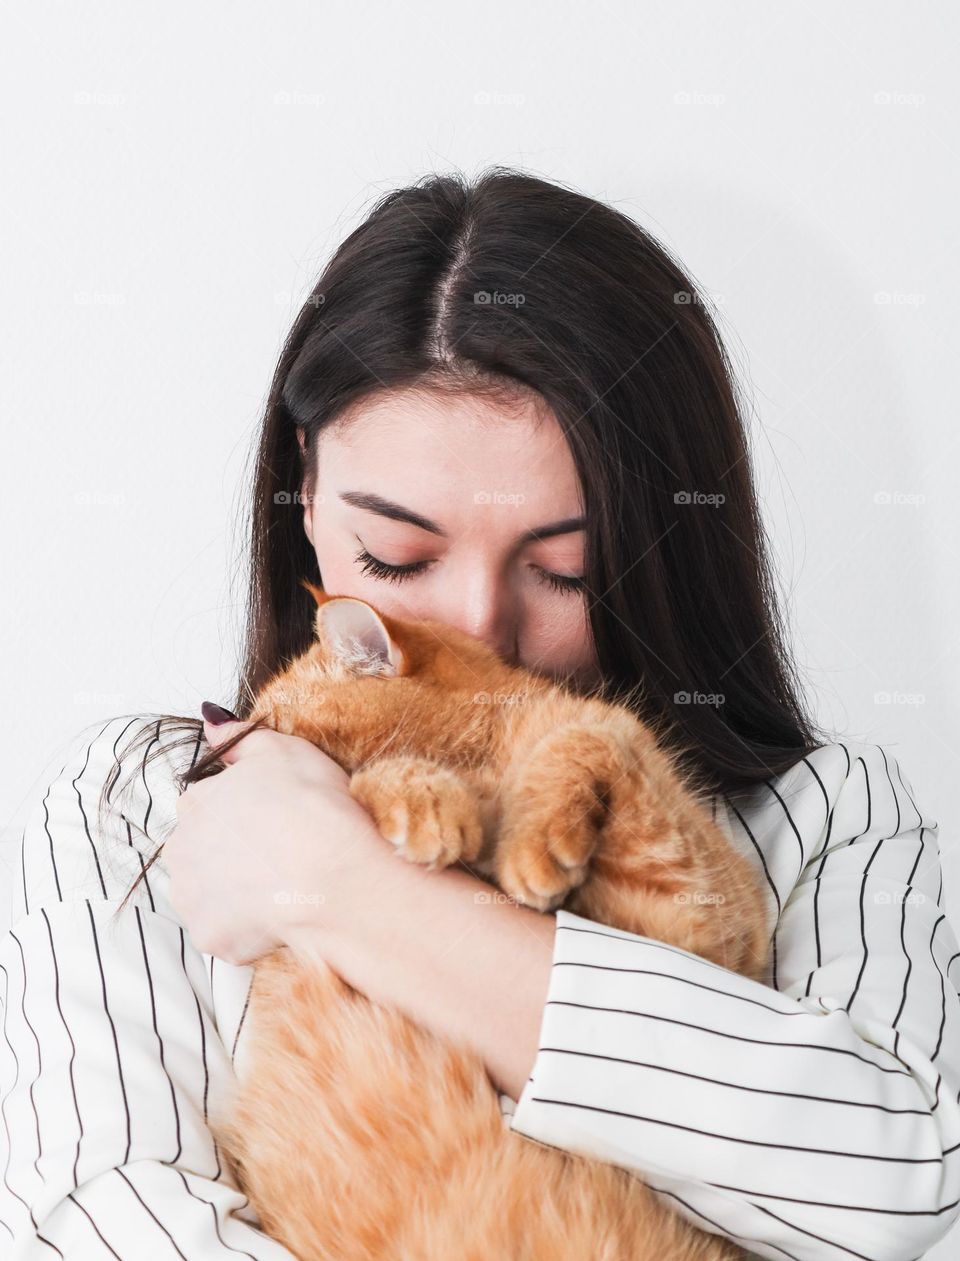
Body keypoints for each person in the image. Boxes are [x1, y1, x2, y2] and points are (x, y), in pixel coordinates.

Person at [2, 167, 957, 1261]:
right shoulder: (133, 803)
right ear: (304, 496)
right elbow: (95, 1213)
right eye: (396, 556)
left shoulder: (819, 815)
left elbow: (897, 1194)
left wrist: (341, 889)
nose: (476, 629)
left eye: (564, 569)